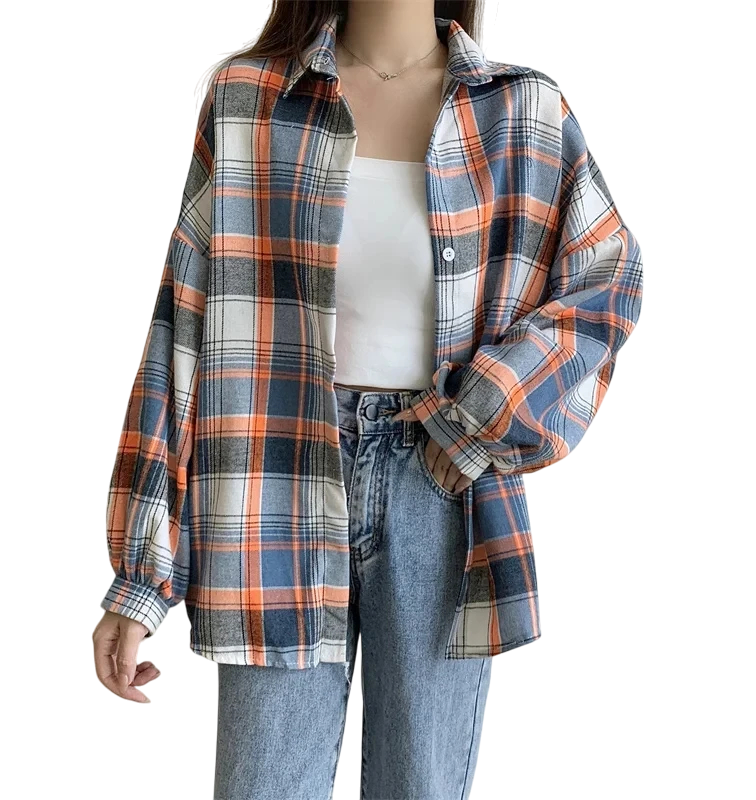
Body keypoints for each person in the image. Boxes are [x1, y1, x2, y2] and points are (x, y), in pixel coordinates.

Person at [92, 1, 644, 797]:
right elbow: (183, 327)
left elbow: (606, 281)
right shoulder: (250, 100)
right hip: (271, 485)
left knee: (420, 785)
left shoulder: (524, 111)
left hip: (440, 487)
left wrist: (481, 415)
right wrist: (142, 576)